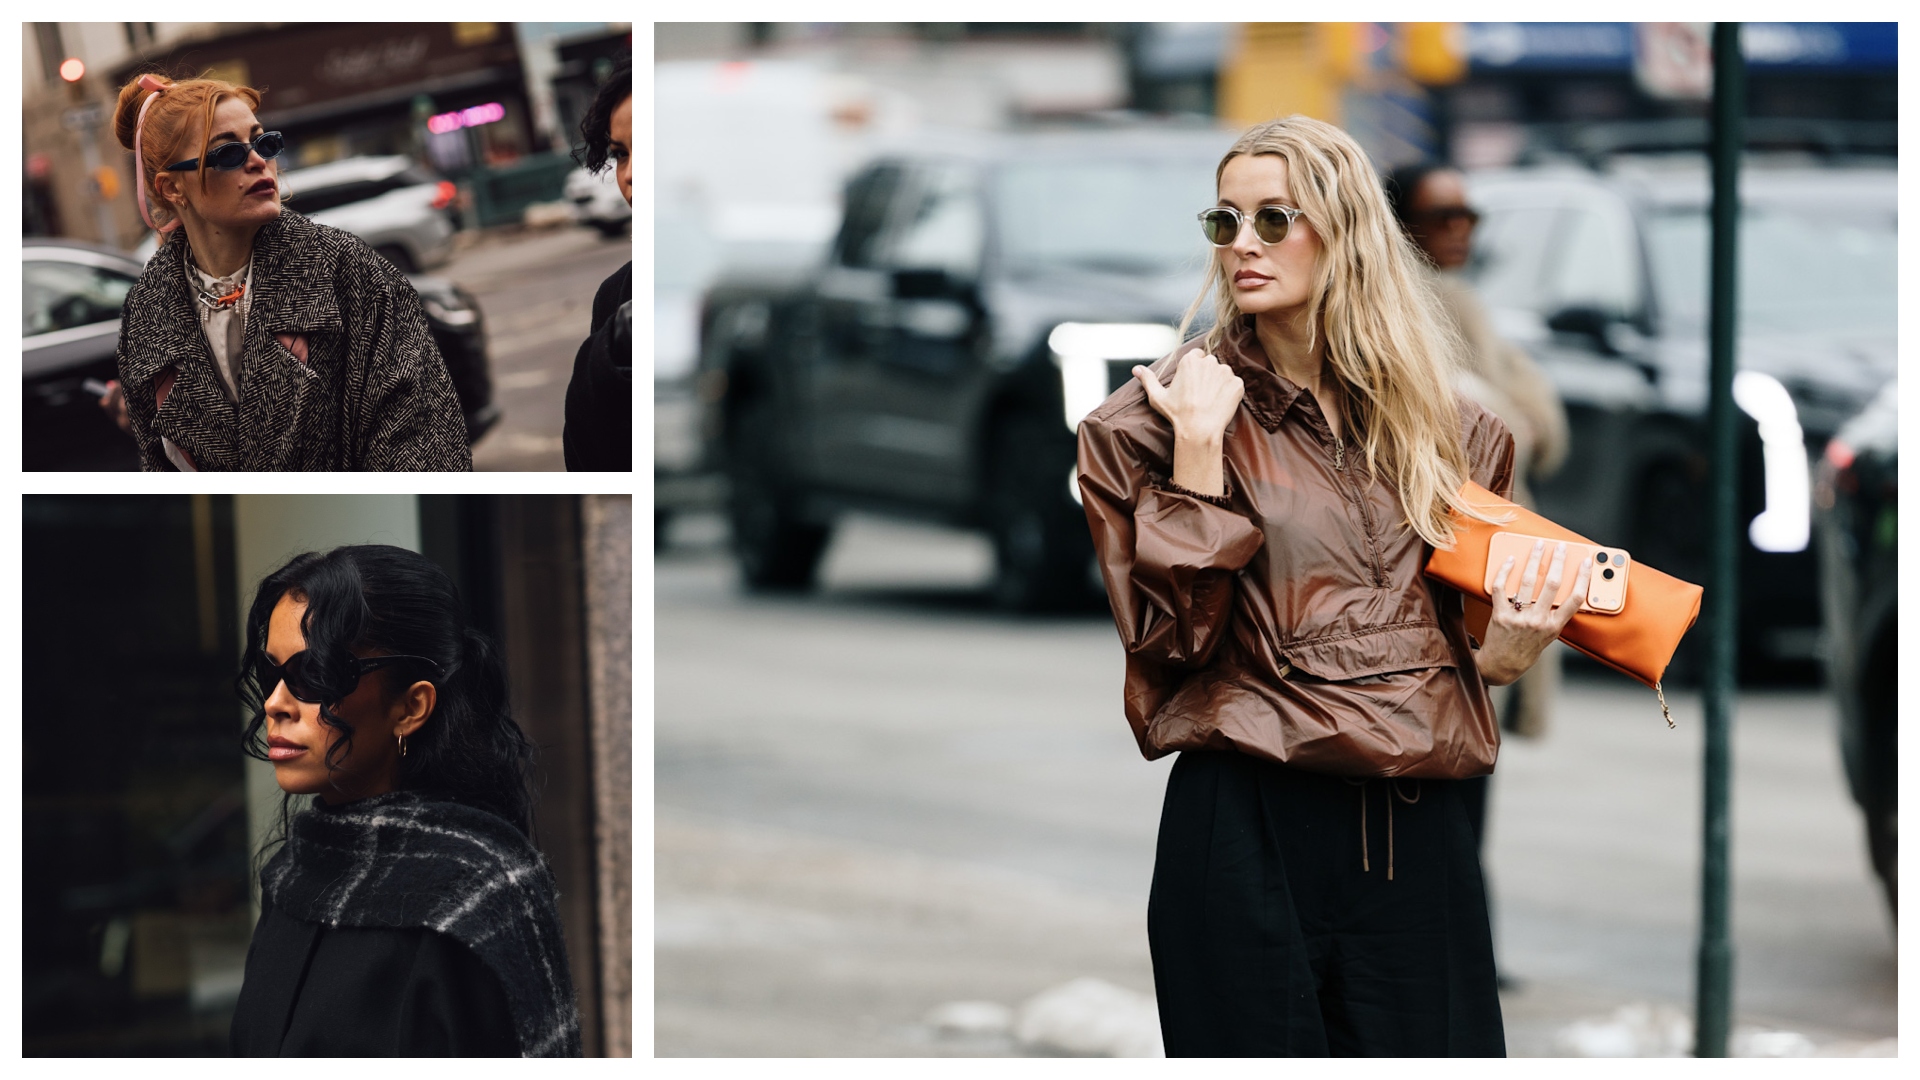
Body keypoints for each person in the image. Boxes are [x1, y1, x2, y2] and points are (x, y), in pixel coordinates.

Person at [1076, 116, 1588, 1057]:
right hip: (1244, 826)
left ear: (1347, 230)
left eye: (1276, 219)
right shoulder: (1144, 425)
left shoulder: (1458, 434)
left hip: (1416, 832)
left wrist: (1501, 661)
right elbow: (1171, 647)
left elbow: (1449, 643)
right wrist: (1198, 456)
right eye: (1224, 221)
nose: (1243, 246)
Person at [228, 545, 581, 1056]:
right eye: (272, 673)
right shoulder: (294, 877)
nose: (276, 703)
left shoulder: (479, 892)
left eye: (315, 675)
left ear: (412, 705)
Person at [107, 73, 471, 471]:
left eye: (265, 142)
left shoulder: (350, 273)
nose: (258, 161)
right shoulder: (146, 314)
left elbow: (426, 450)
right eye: (228, 153)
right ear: (173, 189)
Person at [562, 59, 633, 471]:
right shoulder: (615, 296)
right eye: (621, 154)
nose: (630, 175)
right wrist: (614, 350)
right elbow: (587, 459)